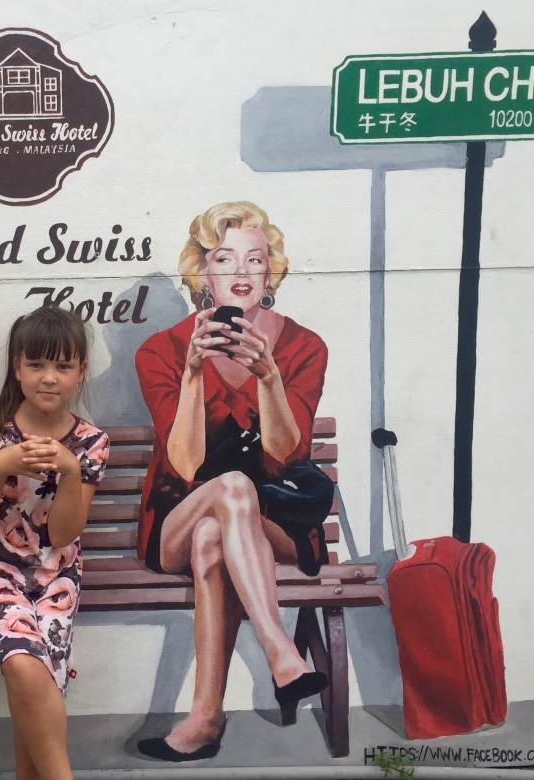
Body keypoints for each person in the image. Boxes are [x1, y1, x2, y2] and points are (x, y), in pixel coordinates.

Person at [134, 201, 334, 761]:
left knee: (216, 536)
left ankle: (205, 719)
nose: (242, 272)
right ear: (203, 273)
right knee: (226, 494)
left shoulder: (304, 347)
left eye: (256, 258)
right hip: (178, 519)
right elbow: (184, 465)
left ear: (271, 272)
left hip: (277, 521)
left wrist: (269, 378)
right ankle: (281, 653)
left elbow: (287, 457)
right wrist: (192, 373)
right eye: (224, 259)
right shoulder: (160, 351)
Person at [0, 306, 109, 780]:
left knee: (36, 684)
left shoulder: (90, 442)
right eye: (37, 364)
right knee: (26, 667)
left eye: (63, 366)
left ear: (81, 371)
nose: (49, 378)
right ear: (17, 368)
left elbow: (63, 535)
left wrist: (69, 470)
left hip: (56, 581)